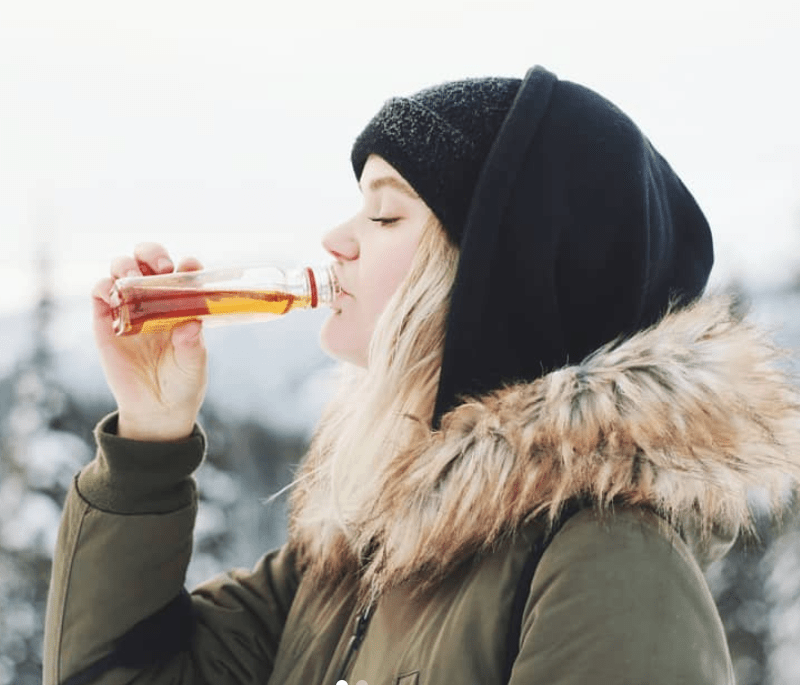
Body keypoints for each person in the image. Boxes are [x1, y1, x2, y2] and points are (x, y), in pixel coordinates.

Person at [44, 65, 800, 685]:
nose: (335, 239)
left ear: (495, 280)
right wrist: (149, 434)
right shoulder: (353, 558)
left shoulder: (609, 565)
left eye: (384, 216)